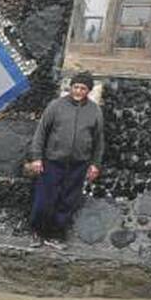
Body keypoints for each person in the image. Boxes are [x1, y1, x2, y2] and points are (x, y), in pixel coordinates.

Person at [25, 71, 105, 249]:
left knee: (67, 201)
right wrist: (37, 158)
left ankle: (56, 236)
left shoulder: (95, 111)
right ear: (71, 87)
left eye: (83, 88)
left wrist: (94, 164)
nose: (78, 91)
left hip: (78, 164)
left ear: (88, 91)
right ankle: (37, 233)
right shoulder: (56, 106)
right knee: (45, 199)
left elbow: (99, 141)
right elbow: (41, 133)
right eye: (75, 87)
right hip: (52, 161)